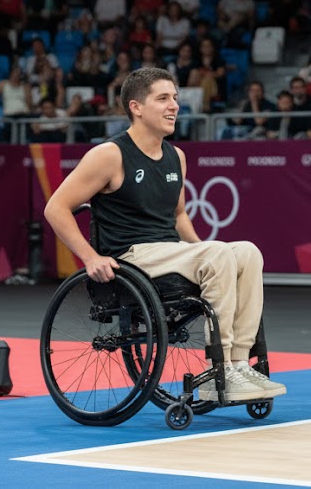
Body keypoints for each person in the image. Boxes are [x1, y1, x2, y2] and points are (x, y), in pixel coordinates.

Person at [42, 68, 288, 402]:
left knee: (247, 252)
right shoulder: (109, 155)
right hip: (131, 257)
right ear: (136, 107)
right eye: (162, 99)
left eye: (175, 98)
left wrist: (204, 249)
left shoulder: (177, 156)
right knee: (220, 252)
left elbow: (179, 214)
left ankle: (239, 363)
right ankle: (218, 369)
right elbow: (56, 208)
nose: (174, 105)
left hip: (168, 252)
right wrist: (90, 257)